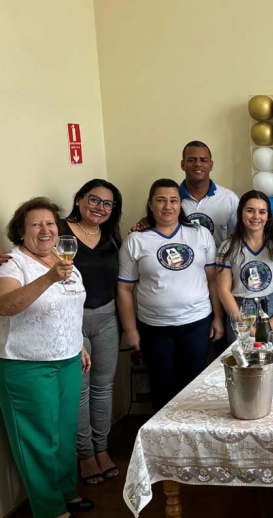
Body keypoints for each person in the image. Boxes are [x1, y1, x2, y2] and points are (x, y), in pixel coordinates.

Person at [0, 197, 94, 518]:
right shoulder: (12, 263)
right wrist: (50, 277)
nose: (45, 229)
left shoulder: (60, 255)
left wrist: (78, 341)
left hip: (67, 359)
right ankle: (48, 508)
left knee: (64, 434)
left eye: (51, 223)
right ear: (21, 231)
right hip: (26, 365)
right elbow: (6, 305)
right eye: (36, 224)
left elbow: (69, 307)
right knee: (37, 442)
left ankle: (66, 492)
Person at [117, 179, 224, 412]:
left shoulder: (200, 235)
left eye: (173, 200)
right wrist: (131, 329)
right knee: (162, 389)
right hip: (154, 328)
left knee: (193, 388)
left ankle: (192, 443)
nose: (168, 206)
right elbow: (124, 289)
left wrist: (218, 318)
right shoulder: (136, 240)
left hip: (197, 324)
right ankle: (162, 446)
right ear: (150, 203)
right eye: (161, 200)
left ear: (180, 204)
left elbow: (213, 279)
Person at [59, 179, 123, 485]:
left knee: (103, 388)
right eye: (94, 200)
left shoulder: (111, 234)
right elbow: (31, 254)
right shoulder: (59, 231)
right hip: (73, 321)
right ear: (80, 198)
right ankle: (84, 455)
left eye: (108, 204)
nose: (100, 208)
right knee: (80, 391)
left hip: (108, 317)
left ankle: (102, 449)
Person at [217, 191, 273, 336]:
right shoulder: (228, 247)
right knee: (243, 358)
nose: (256, 217)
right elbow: (223, 289)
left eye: (262, 212)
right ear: (241, 213)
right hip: (240, 311)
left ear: (268, 216)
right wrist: (244, 326)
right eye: (250, 211)